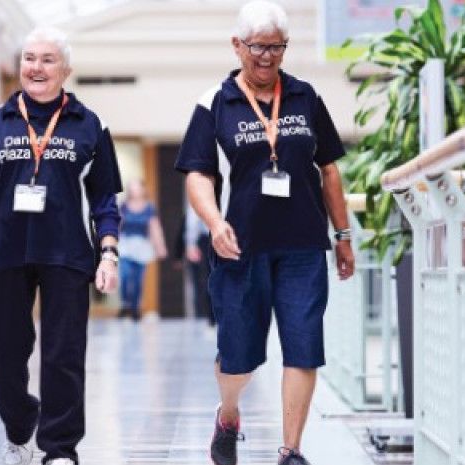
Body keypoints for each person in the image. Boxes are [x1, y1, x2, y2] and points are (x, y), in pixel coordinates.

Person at [174, 2, 355, 465]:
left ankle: (290, 449)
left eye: (277, 47)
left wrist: (343, 235)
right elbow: (198, 174)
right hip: (241, 247)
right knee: (237, 356)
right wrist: (215, 224)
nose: (268, 57)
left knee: (303, 346)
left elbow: (329, 169)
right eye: (258, 47)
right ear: (237, 46)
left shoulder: (305, 96)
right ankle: (229, 414)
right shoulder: (214, 101)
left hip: (302, 246)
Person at [0, 26, 123, 465]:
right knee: (5, 355)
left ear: (65, 69)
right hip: (4, 251)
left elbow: (104, 199)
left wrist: (108, 251)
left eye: (48, 59)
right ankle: (20, 424)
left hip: (67, 253)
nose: (36, 67)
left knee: (64, 355)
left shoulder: (90, 125)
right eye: (29, 58)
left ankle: (59, 449)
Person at [117, 179, 167, 320]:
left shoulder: (149, 208)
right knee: (125, 275)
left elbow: (154, 228)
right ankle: (125, 303)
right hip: (126, 245)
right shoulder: (124, 206)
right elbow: (118, 226)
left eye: (138, 188)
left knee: (138, 279)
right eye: (133, 188)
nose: (136, 191)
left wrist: (160, 247)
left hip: (142, 246)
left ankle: (135, 307)